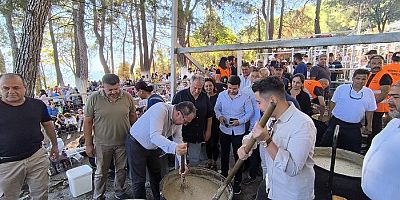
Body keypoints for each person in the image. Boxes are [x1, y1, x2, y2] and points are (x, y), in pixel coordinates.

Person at [238, 76, 316, 200]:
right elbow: (253, 135)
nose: (258, 107)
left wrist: (267, 140)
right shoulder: (270, 117)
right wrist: (245, 146)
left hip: (291, 193)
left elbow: (293, 168)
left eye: (259, 102)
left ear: (272, 100)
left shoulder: (303, 124)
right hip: (271, 184)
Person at [0, 73, 59, 199]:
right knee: (8, 197)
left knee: (41, 194)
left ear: (24, 88)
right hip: (6, 163)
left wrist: (54, 145)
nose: (11, 91)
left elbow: (48, 125)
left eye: (16, 87)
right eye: (6, 88)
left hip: (36, 157)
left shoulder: (37, 105)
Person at [84, 74, 137, 200]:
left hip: (123, 142)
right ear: (103, 87)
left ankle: (119, 191)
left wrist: (135, 136)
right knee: (101, 172)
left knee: (122, 169)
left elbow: (133, 116)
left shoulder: (127, 97)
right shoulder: (94, 98)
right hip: (102, 143)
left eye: (116, 89)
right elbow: (88, 122)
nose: (113, 92)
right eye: (110, 90)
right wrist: (88, 144)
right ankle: (98, 196)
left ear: (119, 85)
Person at [126, 101, 194, 200]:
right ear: (178, 113)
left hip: (153, 147)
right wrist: (174, 148)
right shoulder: (160, 109)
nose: (185, 124)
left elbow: (179, 141)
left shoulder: (178, 120)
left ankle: (158, 198)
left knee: (156, 174)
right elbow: (155, 136)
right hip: (136, 143)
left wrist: (183, 164)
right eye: (186, 121)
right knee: (139, 180)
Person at [320, 69, 377, 153]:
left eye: (363, 79)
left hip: (354, 127)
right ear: (353, 78)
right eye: (358, 78)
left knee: (352, 152)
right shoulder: (341, 88)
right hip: (336, 123)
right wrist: (328, 116)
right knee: (326, 146)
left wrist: (369, 125)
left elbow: (370, 110)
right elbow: (332, 103)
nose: (360, 81)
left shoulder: (369, 92)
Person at [214, 75, 253, 195]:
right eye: (230, 88)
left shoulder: (245, 97)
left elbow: (250, 112)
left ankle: (237, 181)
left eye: (234, 89)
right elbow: (217, 108)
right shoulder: (221, 95)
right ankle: (224, 176)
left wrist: (239, 121)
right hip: (224, 129)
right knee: (224, 154)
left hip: (238, 131)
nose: (232, 90)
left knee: (239, 156)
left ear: (239, 87)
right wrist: (219, 116)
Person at [362, 81, 400, 200]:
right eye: (390, 96)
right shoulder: (393, 123)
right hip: (368, 193)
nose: (389, 101)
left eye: (395, 97)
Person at [172, 75, 213, 166]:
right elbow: (173, 115)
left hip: (197, 134)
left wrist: (208, 131)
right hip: (181, 134)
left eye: (200, 88)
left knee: (195, 160)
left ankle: (192, 177)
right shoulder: (180, 95)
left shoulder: (204, 97)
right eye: (195, 88)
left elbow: (209, 115)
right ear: (190, 84)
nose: (197, 91)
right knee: (180, 159)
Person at [365, 55, 392, 149]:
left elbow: (384, 94)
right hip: (370, 108)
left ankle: (373, 148)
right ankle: (369, 146)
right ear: (370, 64)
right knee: (369, 128)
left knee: (375, 129)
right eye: (374, 63)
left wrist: (370, 105)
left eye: (379, 63)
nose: (377, 65)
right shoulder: (370, 75)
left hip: (378, 108)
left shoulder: (385, 76)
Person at [204, 78, 220, 170]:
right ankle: (209, 160)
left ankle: (214, 161)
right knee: (207, 142)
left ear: (214, 86)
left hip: (216, 124)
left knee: (214, 143)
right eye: (206, 86)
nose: (208, 88)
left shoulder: (218, 97)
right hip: (205, 124)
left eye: (210, 85)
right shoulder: (203, 97)